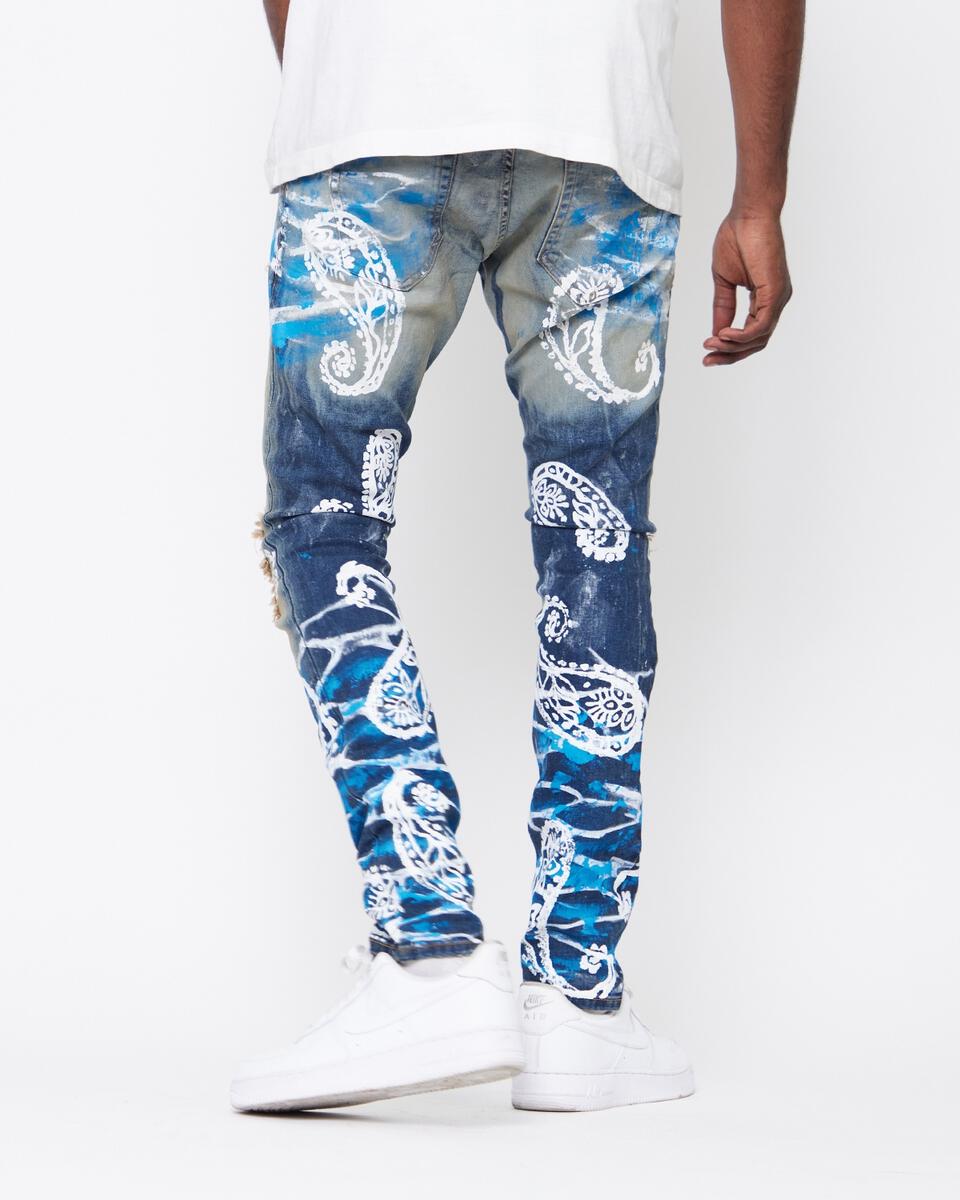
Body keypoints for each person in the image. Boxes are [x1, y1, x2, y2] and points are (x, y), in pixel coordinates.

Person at [230, 0, 803, 1114]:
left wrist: (339, 80)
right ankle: (576, 998)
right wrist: (760, 198)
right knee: (596, 542)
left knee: (326, 515)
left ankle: (429, 945)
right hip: (597, 115)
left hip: (376, 106)